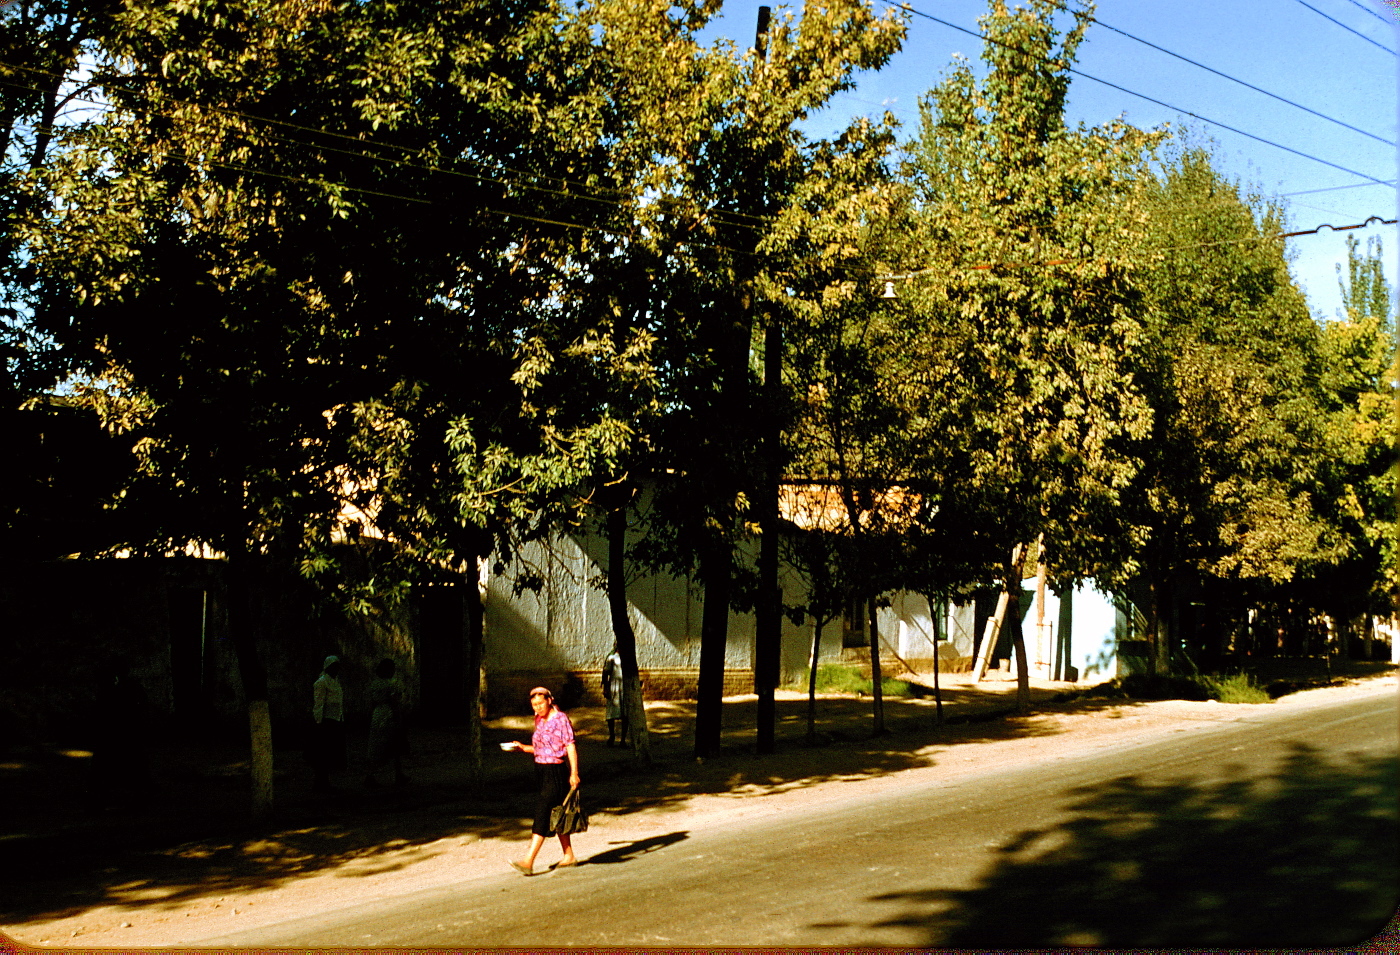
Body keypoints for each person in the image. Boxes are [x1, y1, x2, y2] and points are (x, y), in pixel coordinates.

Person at [504, 686, 580, 875]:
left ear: (549, 700)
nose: (537, 708)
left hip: (556, 771)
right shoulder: (539, 720)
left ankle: (528, 860)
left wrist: (574, 773)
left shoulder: (561, 719)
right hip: (541, 770)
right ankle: (568, 855)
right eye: (534, 705)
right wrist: (523, 748)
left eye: (540, 703)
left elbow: (569, 746)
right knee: (557, 812)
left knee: (543, 811)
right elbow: (541, 747)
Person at [364, 658, 408, 787]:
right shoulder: (391, 684)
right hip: (388, 715)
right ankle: (397, 774)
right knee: (394, 744)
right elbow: (394, 701)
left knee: (377, 746)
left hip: (377, 715)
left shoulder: (375, 684)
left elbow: (371, 703)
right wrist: (398, 716)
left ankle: (371, 774)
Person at [311, 655, 345, 793]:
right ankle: (320, 782)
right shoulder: (322, 682)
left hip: (335, 720)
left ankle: (324, 782)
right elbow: (319, 704)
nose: (336, 670)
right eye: (334, 667)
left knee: (329, 753)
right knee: (322, 753)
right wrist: (319, 722)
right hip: (326, 722)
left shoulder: (335, 682)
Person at [602, 648, 628, 748]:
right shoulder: (611, 657)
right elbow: (605, 673)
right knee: (611, 713)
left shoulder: (628, 657)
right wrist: (605, 688)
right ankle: (612, 736)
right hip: (614, 686)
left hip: (625, 687)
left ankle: (623, 740)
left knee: (625, 714)